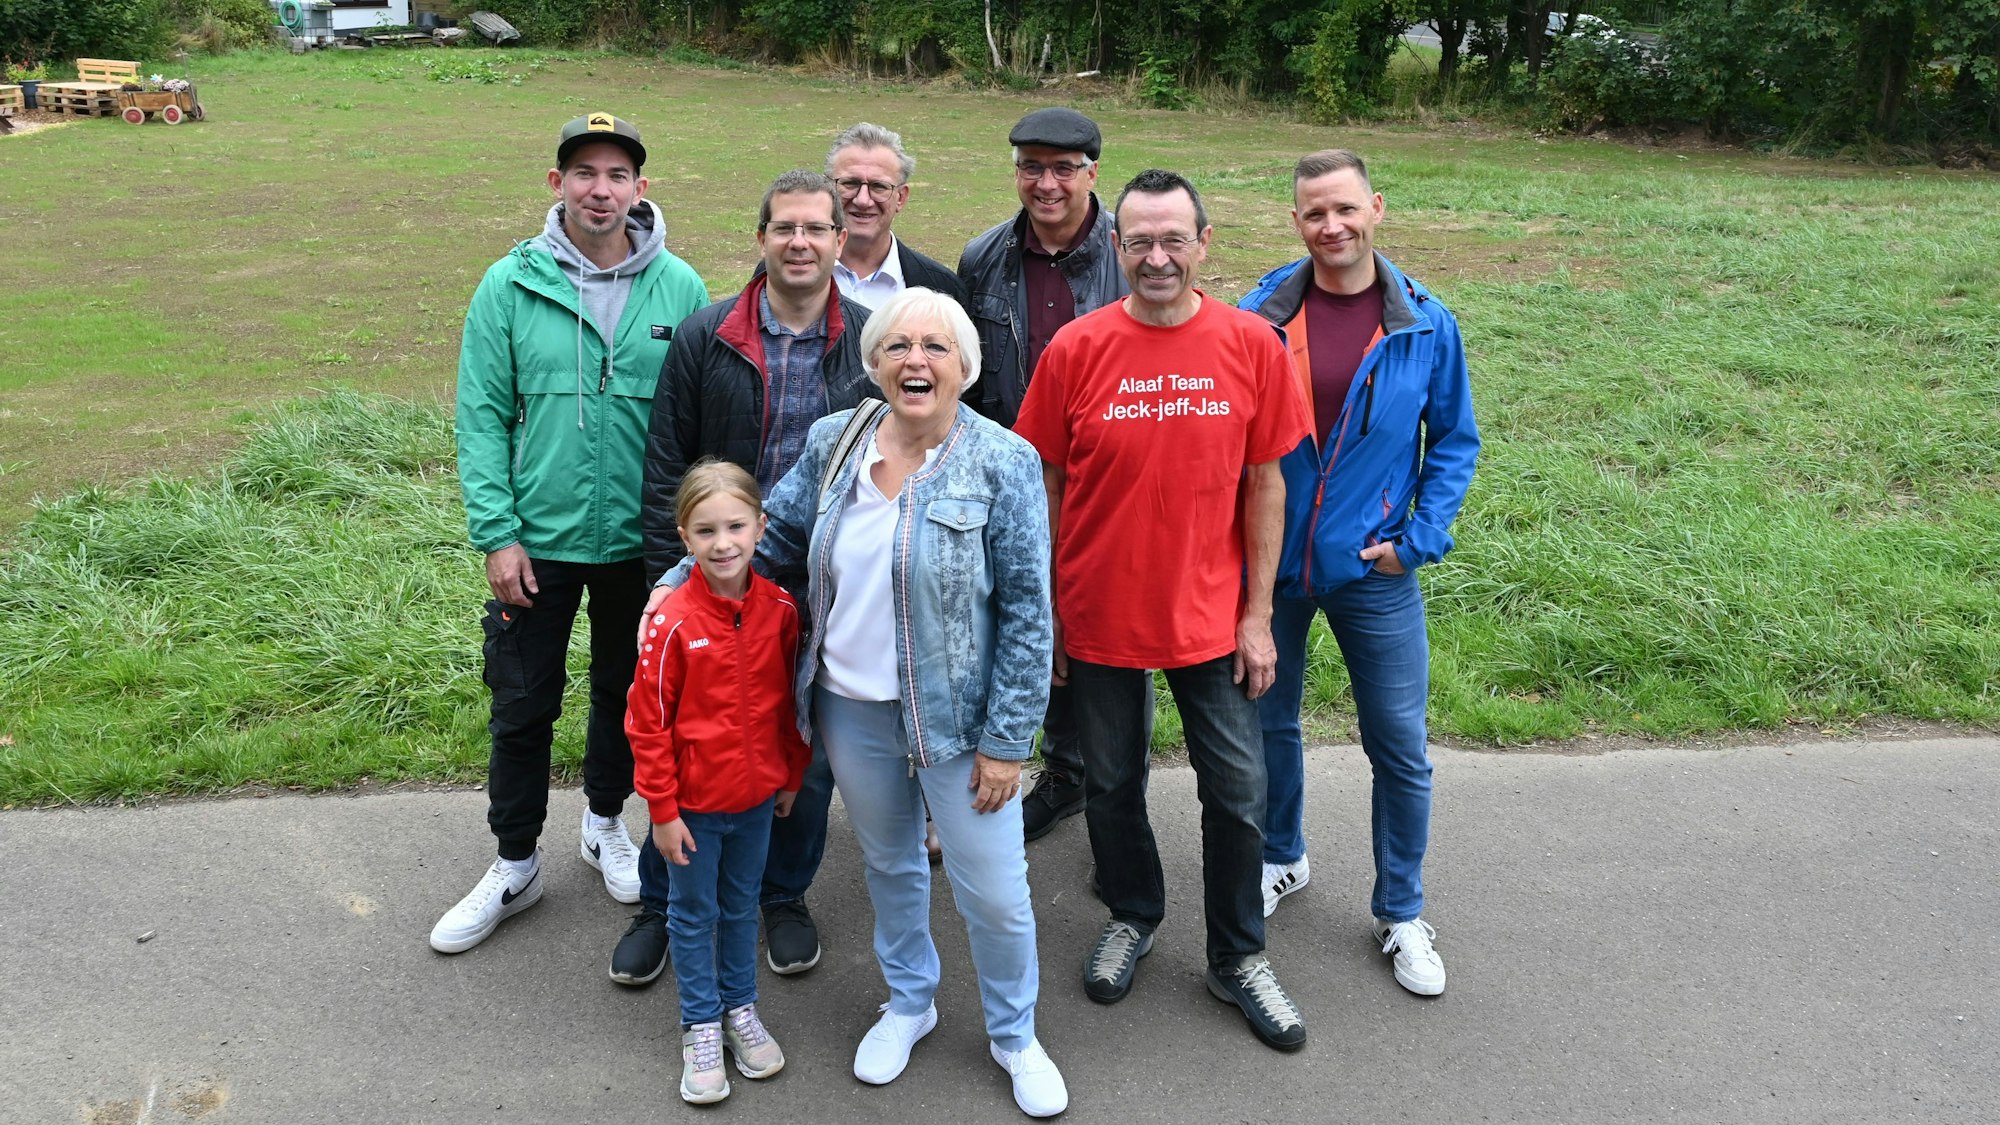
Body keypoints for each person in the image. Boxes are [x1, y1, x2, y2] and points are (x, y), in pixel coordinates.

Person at [646, 286, 1067, 1117]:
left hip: (959, 722)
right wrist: (672, 589)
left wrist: (1009, 738)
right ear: (874, 362)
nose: (916, 361)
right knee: (891, 864)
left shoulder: (1003, 459)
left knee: (993, 886)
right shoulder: (835, 441)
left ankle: (1015, 1034)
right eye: (899, 346)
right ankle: (911, 1002)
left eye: (936, 348)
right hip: (848, 704)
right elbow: (772, 541)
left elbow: (1028, 608)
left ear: (963, 367)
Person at [1012, 169, 1313, 1051]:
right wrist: (1054, 609)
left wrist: (1257, 614)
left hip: (1211, 618)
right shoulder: (1076, 348)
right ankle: (1133, 912)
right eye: (1139, 240)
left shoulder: (1251, 344)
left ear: (1203, 244)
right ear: (1117, 247)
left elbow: (1267, 486)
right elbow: (1049, 484)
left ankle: (1237, 956)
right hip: (1100, 611)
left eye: (1173, 238)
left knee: (1238, 792)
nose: (1156, 256)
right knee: (1109, 782)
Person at [432, 113, 709, 955]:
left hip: (643, 543)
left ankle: (602, 823)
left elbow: (697, 419)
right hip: (536, 542)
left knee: (630, 701)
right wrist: (496, 533)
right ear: (557, 184)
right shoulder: (508, 285)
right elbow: (480, 418)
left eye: (617, 174)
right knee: (522, 704)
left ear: (640, 189)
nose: (600, 188)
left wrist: (695, 539)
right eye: (584, 172)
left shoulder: (681, 288)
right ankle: (514, 862)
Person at [614, 170, 876, 986]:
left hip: (816, 586)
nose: (800, 242)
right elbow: (666, 463)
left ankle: (781, 893)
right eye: (784, 227)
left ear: (842, 241)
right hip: (714, 572)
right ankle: (663, 900)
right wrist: (668, 577)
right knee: (694, 743)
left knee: (801, 744)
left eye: (816, 229)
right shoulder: (706, 335)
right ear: (760, 238)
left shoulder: (869, 341)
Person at [1238, 149, 1479, 997]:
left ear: (1375, 207)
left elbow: (1454, 439)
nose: (1331, 227)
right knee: (1268, 725)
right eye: (1313, 214)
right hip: (1271, 567)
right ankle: (1281, 856)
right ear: (1295, 221)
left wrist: (1419, 538)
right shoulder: (1257, 316)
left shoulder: (1424, 322)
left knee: (1399, 746)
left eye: (1345, 209)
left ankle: (1402, 910)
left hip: (1375, 570)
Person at [957, 106, 1129, 843]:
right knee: (1030, 622)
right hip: (1015, 479)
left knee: (1109, 648)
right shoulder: (984, 257)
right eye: (1032, 166)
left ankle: (1120, 806)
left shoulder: (1135, 250)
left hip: (1108, 480)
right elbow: (967, 377)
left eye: (1064, 168)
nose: (1047, 182)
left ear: (1093, 171)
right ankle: (1062, 774)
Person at [626, 461, 808, 1103]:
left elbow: (791, 701)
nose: (723, 543)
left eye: (736, 526)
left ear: (761, 528)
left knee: (740, 907)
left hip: (758, 800)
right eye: (706, 530)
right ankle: (700, 1025)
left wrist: (792, 772)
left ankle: (741, 1010)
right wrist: (663, 810)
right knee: (693, 913)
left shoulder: (782, 610)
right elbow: (646, 723)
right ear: (684, 537)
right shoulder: (669, 622)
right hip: (693, 811)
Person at [824, 122, 967, 310]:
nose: (863, 200)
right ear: (826, 189)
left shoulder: (943, 291)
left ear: (901, 197)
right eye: (850, 183)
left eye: (879, 186)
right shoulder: (779, 278)